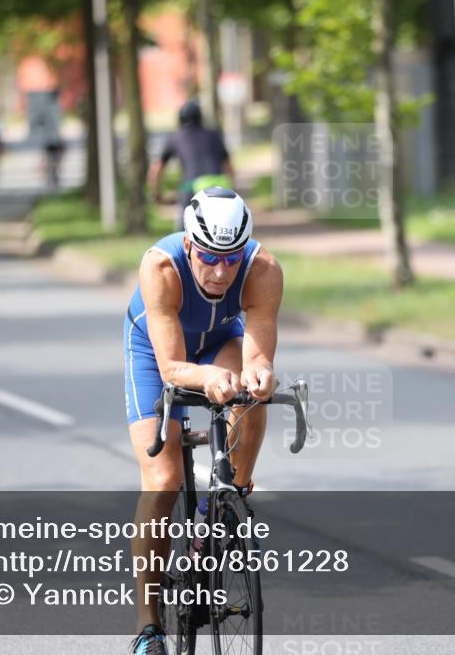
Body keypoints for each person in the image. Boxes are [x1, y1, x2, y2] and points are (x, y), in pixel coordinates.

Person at [124, 187, 282, 654]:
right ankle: (148, 626)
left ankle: (223, 505)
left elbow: (257, 352)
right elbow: (173, 368)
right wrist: (208, 375)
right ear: (190, 244)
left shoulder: (264, 270)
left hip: (220, 339)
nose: (220, 271)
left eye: (232, 259)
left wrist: (262, 373)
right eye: (210, 256)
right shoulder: (161, 267)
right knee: (164, 477)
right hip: (156, 353)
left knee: (249, 395)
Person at [148, 100, 236, 231]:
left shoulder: (175, 137)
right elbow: (229, 166)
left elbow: (157, 168)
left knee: (182, 234)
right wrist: (233, 189)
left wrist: (156, 192)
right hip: (217, 190)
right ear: (201, 118)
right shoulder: (214, 135)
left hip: (191, 190)